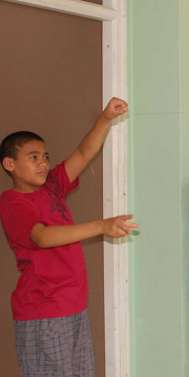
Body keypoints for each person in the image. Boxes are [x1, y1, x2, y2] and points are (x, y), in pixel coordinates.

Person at [0, 98, 137, 377]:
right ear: (10, 164)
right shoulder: (12, 202)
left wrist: (105, 118)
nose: (43, 163)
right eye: (33, 157)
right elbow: (42, 237)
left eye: (45, 157)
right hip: (44, 311)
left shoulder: (52, 187)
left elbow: (84, 153)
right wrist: (100, 226)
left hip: (72, 305)